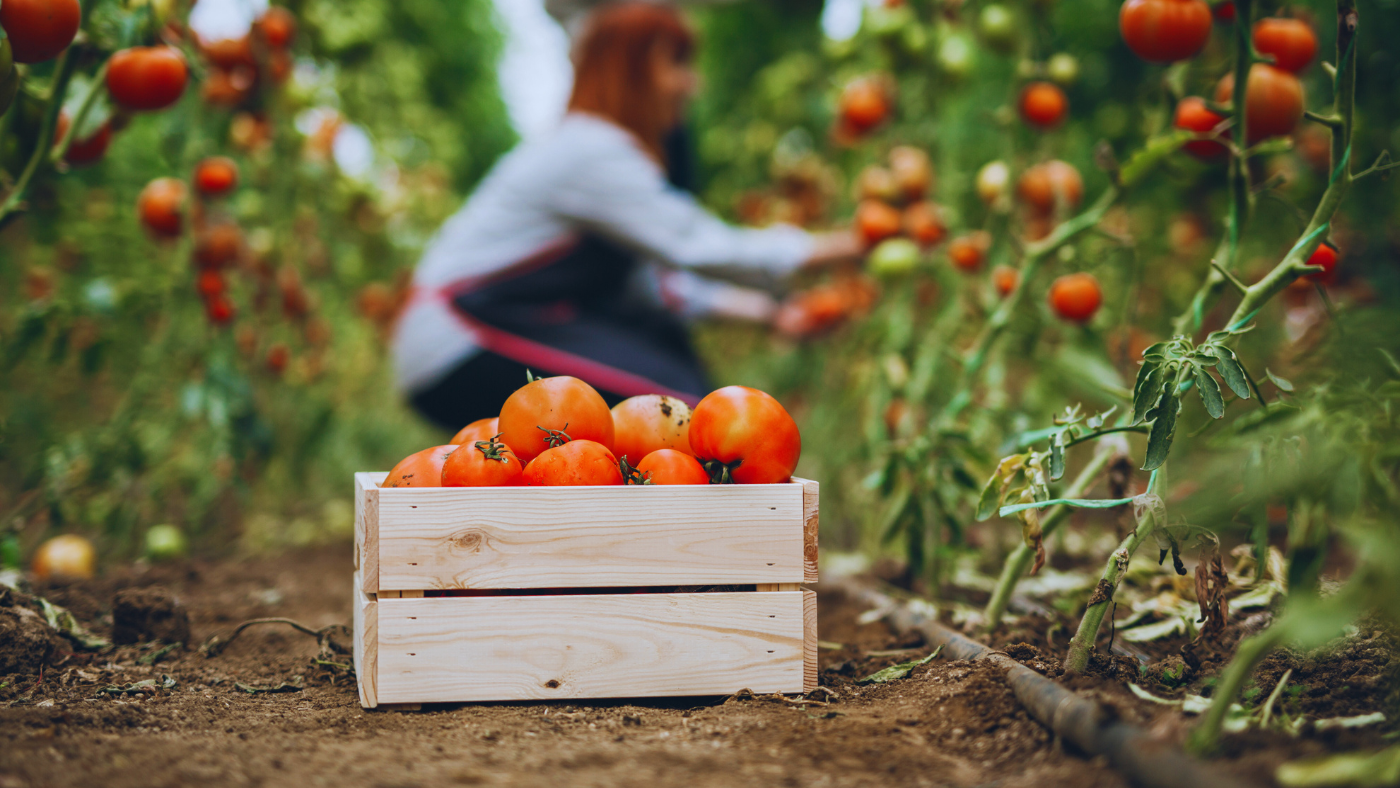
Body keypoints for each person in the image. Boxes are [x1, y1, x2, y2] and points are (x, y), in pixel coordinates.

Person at [392, 2, 861, 432]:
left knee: (676, 385)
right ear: (630, 69)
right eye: (676, 63)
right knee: (683, 415)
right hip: (461, 338)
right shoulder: (592, 150)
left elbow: (651, 285)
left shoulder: (589, 149)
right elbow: (700, 245)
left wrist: (770, 313)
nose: (691, 84)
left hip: (484, 328)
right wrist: (849, 243)